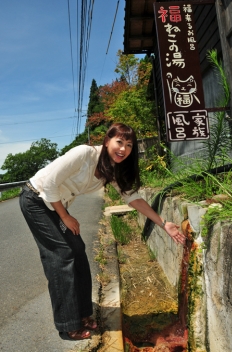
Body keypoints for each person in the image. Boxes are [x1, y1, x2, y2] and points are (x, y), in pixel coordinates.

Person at [19, 123, 185, 341]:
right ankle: (68, 326)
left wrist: (164, 223)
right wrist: (65, 216)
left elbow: (132, 198)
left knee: (77, 249)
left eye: (128, 145)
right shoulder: (84, 154)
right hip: (36, 199)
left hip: (54, 205)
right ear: (107, 141)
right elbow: (49, 183)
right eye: (119, 142)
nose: (123, 149)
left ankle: (82, 313)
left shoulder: (111, 170)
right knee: (60, 256)